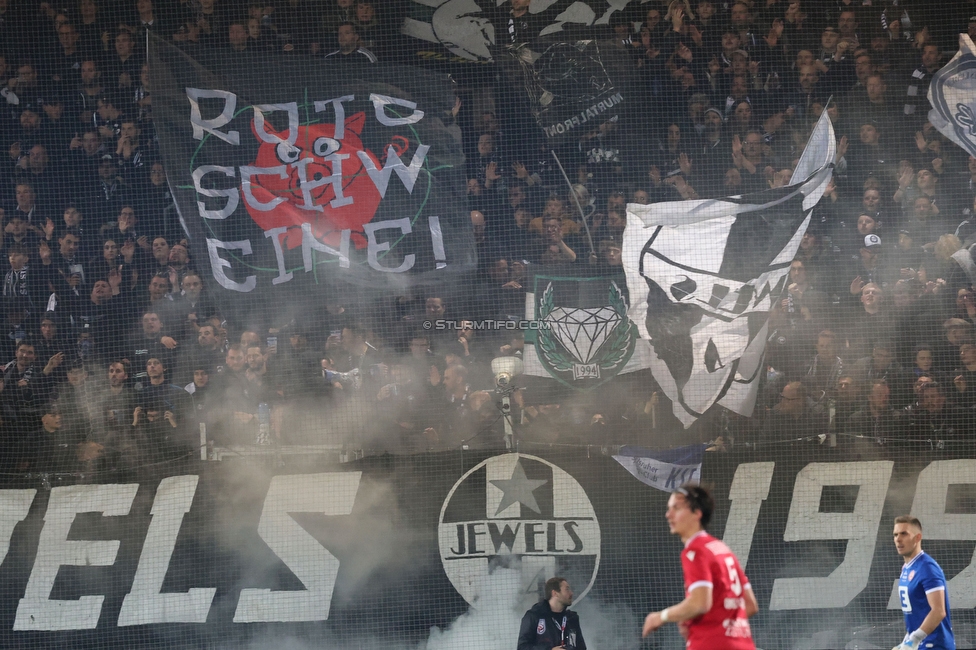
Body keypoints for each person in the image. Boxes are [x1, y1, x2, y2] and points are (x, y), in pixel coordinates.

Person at [642, 483, 758, 650]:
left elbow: (699, 604)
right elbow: (750, 605)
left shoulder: (695, 551)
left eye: (677, 508)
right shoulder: (722, 549)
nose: (669, 515)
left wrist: (660, 616)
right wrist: (697, 622)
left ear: (697, 513)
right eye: (669, 508)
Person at [892, 516, 955, 650]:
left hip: (935, 645)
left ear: (917, 537)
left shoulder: (927, 568)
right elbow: (916, 614)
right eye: (895, 534)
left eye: (904, 533)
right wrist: (906, 641)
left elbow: (938, 611)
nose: (898, 539)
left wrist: (914, 640)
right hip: (920, 645)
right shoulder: (907, 568)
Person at [516, 577, 586, 650]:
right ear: (555, 593)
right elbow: (522, 647)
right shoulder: (534, 616)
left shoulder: (571, 618)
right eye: (567, 589)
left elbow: (581, 647)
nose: (571, 593)